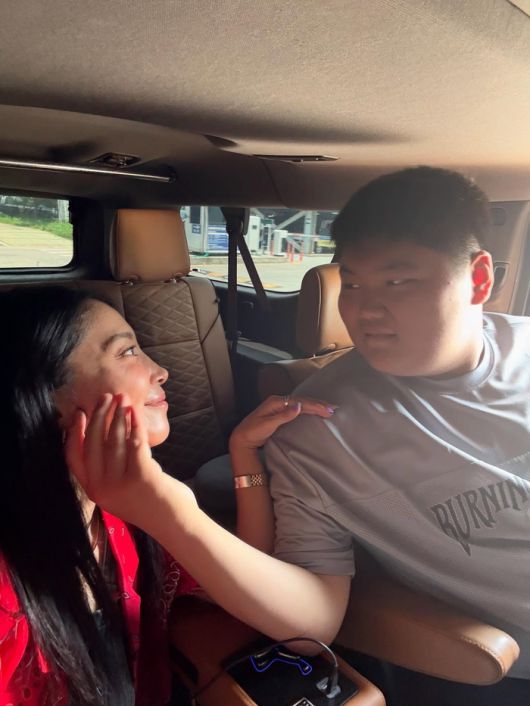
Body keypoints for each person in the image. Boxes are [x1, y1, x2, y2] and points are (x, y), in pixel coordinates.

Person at [261, 167, 530, 702]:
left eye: (397, 281)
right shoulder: (317, 431)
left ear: (479, 279)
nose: (364, 310)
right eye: (353, 283)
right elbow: (310, 616)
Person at [0, 286, 336, 706]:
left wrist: (244, 452)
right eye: (127, 352)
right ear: (47, 399)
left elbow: (254, 588)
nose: (160, 371)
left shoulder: (125, 515)